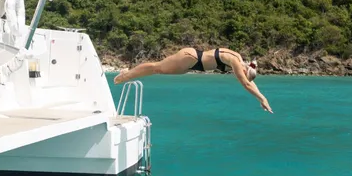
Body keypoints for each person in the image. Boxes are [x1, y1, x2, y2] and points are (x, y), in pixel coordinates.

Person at [114, 47, 273, 113]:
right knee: (157, 68)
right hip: (191, 60)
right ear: (245, 70)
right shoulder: (236, 62)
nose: (241, 74)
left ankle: (127, 73)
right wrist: (262, 98)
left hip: (191, 60)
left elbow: (249, 82)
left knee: (158, 69)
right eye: (244, 73)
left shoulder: (239, 57)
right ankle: (124, 76)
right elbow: (245, 83)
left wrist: (262, 98)